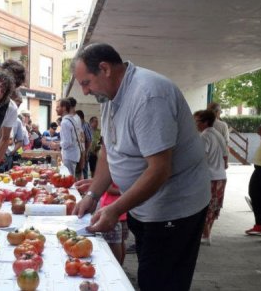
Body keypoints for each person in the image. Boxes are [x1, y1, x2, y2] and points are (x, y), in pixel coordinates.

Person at [72, 43, 210, 291]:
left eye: (86, 82)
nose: (84, 91)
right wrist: (93, 194)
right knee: (150, 274)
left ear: (105, 69)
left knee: (161, 281)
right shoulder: (111, 97)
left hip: (174, 210)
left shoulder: (148, 95)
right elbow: (109, 151)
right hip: (144, 208)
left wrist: (114, 210)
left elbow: (159, 170)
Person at [194, 110, 227, 245]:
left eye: (196, 121)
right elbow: (225, 158)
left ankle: (206, 235)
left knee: (204, 206)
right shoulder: (218, 134)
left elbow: (200, 158)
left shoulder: (204, 136)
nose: (194, 124)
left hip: (209, 177)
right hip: (220, 176)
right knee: (214, 207)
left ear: (205, 122)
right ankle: (207, 234)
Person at [0, 59, 26, 172]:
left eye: (10, 87)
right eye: (2, 82)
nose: (2, 90)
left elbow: (5, 138)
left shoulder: (10, 108)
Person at [56, 98, 80, 177]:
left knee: (68, 179)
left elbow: (67, 142)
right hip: (73, 155)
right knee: (70, 178)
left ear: (64, 108)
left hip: (69, 155)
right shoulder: (71, 119)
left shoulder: (65, 122)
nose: (56, 109)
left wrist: (57, 145)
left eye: (58, 107)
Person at [207, 102, 229, 169]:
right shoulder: (223, 125)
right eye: (220, 111)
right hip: (218, 160)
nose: (220, 113)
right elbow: (226, 144)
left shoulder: (200, 123)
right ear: (217, 112)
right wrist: (226, 162)